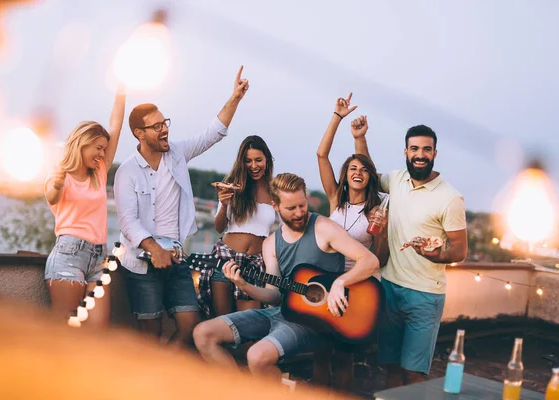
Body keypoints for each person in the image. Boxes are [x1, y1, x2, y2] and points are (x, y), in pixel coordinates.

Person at [193, 173, 380, 381]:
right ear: (275, 206)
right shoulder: (271, 243)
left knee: (256, 356)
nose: (300, 213)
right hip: (281, 312)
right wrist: (243, 285)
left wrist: (340, 283)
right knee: (203, 333)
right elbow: (274, 296)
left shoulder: (324, 228)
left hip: (315, 321)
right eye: (291, 208)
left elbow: (370, 261)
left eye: (302, 205)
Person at [114, 66, 249, 349]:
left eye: (166, 123)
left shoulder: (177, 153)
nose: (164, 129)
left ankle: (163, 374)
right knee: (149, 336)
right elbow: (127, 220)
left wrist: (235, 97)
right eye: (157, 126)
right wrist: (154, 250)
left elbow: (213, 134)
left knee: (191, 326)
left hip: (176, 261)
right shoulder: (127, 172)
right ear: (140, 133)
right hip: (141, 264)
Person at [353, 120, 468, 387]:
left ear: (435, 154)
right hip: (390, 287)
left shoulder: (450, 198)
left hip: (425, 295)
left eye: (426, 149)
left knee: (414, 373)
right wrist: (360, 137)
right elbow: (368, 172)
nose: (420, 154)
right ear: (405, 151)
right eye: (414, 148)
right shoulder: (396, 180)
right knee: (390, 366)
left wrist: (435, 255)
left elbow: (460, 250)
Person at [312, 94, 389, 392]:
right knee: (320, 354)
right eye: (353, 169)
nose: (358, 173)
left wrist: (380, 234)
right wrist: (337, 116)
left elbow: (379, 259)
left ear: (370, 177)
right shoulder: (335, 199)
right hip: (325, 283)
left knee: (343, 357)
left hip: (355, 287)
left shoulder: (376, 212)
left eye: (364, 170)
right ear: (346, 175)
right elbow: (321, 155)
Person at [44, 85, 126, 327]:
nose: (102, 154)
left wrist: (121, 92)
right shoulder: (60, 175)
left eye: (104, 148)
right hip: (68, 255)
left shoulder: (98, 172)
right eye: (98, 148)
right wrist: (58, 184)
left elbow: (115, 126)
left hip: (99, 258)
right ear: (82, 144)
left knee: (96, 332)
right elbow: (52, 197)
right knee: (66, 331)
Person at [197, 135, 276, 319]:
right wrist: (224, 205)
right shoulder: (232, 185)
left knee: (249, 325)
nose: (254, 166)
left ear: (267, 160)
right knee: (222, 322)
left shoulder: (275, 190)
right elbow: (219, 227)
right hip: (225, 259)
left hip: (255, 264)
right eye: (248, 161)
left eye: (258, 160)